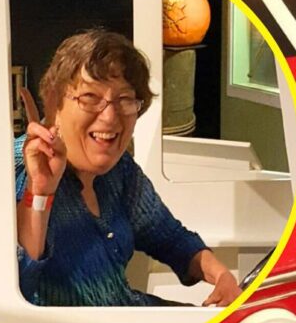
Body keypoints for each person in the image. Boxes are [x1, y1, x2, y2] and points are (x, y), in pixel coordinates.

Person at [15, 29, 242, 307]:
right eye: (89, 97)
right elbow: (15, 290)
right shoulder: (17, 170)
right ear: (55, 105)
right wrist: (39, 192)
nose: (110, 117)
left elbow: (169, 236)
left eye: (125, 100)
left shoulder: (119, 172)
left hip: (130, 322)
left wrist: (222, 276)